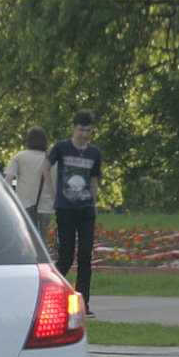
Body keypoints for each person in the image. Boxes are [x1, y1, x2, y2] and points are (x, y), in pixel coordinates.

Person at [43, 110, 102, 317]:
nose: (85, 134)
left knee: (85, 256)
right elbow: (46, 167)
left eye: (88, 131)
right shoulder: (62, 147)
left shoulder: (94, 153)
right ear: (74, 128)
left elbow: (94, 180)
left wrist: (94, 201)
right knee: (66, 257)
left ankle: (83, 303)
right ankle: (51, 299)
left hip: (86, 209)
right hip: (65, 208)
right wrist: (53, 194)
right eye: (81, 130)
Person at [5, 125, 54, 239]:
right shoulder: (50, 158)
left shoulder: (19, 157)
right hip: (46, 207)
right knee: (41, 243)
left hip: (25, 206)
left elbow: (8, 181)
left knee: (27, 241)